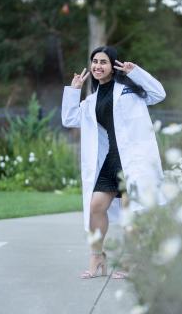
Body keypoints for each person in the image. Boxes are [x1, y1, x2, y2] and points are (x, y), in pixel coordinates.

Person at [61, 46, 166, 279]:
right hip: (111, 159)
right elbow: (69, 119)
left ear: (113, 65)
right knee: (96, 206)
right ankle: (97, 257)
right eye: (95, 61)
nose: (98, 66)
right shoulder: (91, 101)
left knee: (131, 211)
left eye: (103, 62)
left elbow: (159, 94)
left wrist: (135, 72)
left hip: (135, 160)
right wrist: (73, 90)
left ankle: (132, 262)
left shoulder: (130, 90)